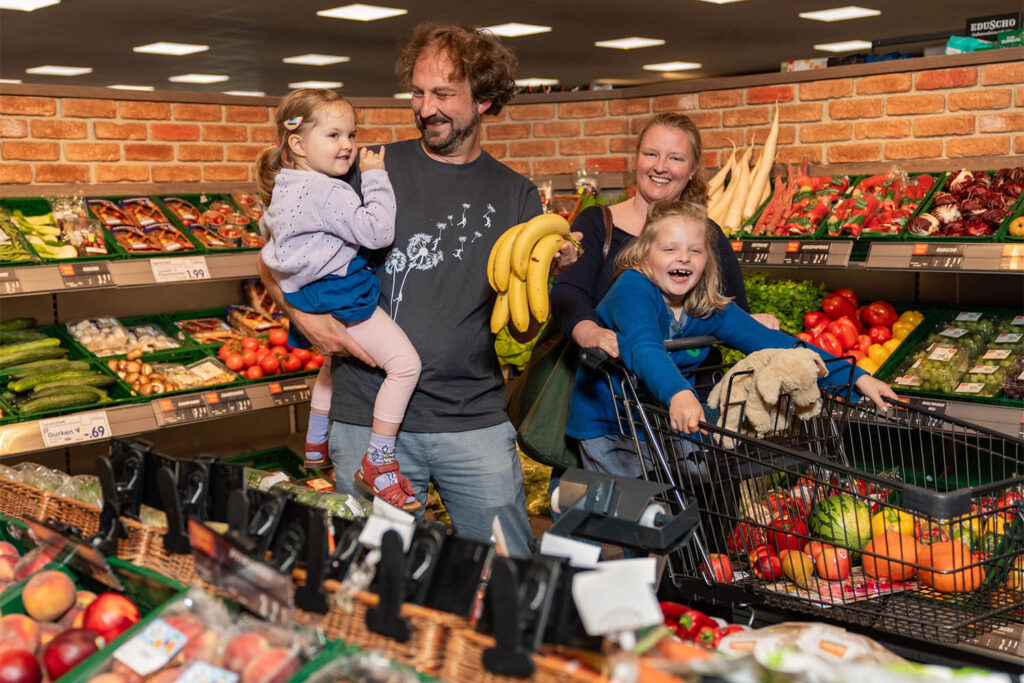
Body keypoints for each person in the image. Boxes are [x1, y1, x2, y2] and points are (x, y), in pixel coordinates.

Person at [257, 23, 576, 556]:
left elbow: (521, 327)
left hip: (472, 421)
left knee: (509, 573)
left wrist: (548, 272)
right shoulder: (363, 168)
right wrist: (306, 320)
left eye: (445, 95)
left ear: (486, 101)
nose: (426, 108)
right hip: (366, 420)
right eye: (419, 92)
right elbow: (272, 255)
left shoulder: (517, 194)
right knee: (374, 580)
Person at [567, 199, 898, 475]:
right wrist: (680, 393)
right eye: (669, 248)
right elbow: (644, 347)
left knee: (683, 515)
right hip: (612, 425)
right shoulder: (633, 289)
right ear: (644, 255)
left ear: (707, 261)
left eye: (695, 251)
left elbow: (776, 342)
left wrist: (856, 379)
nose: (683, 257)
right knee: (632, 523)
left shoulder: (704, 304)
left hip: (663, 419)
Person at [549, 111, 777, 478]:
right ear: (636, 160)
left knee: (697, 518)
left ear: (692, 170)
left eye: (675, 158)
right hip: (615, 411)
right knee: (619, 517)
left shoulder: (707, 235)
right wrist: (589, 331)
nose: (661, 167)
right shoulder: (596, 224)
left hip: (691, 414)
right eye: (651, 154)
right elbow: (568, 294)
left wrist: (760, 331)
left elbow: (725, 310)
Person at [255, 89, 421, 510]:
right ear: (297, 144)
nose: (348, 145)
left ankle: (314, 441)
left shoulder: (285, 187)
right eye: (333, 135)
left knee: (332, 360)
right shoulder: (328, 191)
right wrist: (376, 176)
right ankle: (379, 460)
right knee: (404, 366)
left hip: (304, 293)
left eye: (351, 134)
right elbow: (378, 232)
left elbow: (266, 236)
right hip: (340, 291)